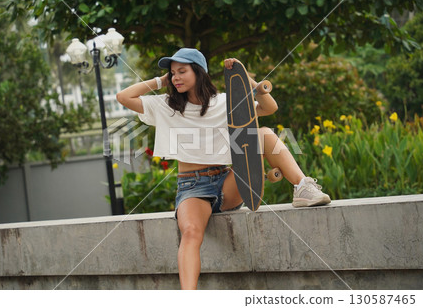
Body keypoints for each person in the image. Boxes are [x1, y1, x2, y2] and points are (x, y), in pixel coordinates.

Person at [116, 48, 331, 290]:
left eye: (182, 71)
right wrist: (160, 80)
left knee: (264, 134)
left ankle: (303, 187)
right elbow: (123, 97)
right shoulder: (166, 106)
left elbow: (268, 107)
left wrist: (244, 76)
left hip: (227, 181)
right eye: (172, 72)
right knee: (190, 232)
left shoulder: (224, 102)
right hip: (192, 187)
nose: (175, 77)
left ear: (199, 72)